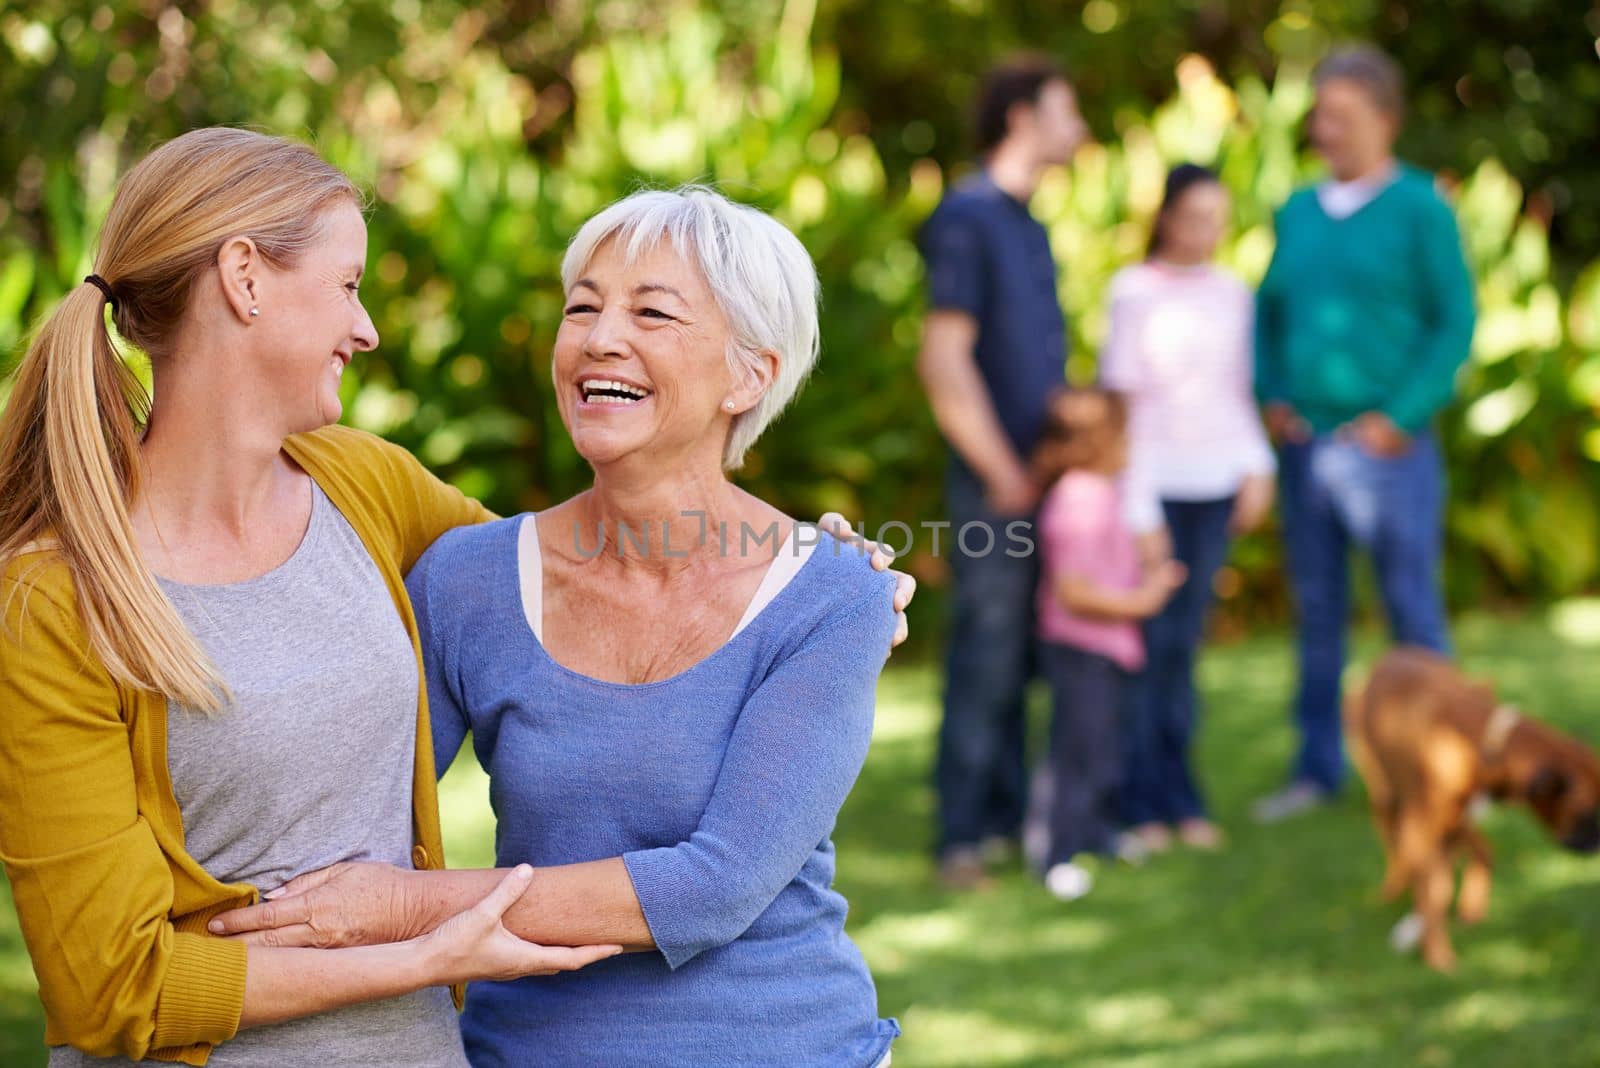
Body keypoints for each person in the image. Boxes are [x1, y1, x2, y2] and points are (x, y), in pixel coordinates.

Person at [0, 131, 914, 1066]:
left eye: (654, 314)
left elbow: (715, 880)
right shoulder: (464, 571)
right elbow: (124, 973)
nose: (368, 330)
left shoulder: (368, 491)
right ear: (243, 279)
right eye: (583, 307)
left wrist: (824, 577)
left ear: (752, 373)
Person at [1251, 44, 1476, 822]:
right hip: (1307, 450)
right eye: (1319, 115)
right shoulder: (1300, 210)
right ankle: (1317, 769)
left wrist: (1399, 417)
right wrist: (1273, 396)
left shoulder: (1421, 207)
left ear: (1386, 119)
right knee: (1318, 617)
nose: (1325, 130)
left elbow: (1456, 323)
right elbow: (1267, 313)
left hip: (1390, 455)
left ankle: (1449, 767)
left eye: (1342, 116)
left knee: (1412, 611)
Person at [916, 54, 1089, 888]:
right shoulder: (967, 216)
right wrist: (1002, 470)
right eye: (1068, 111)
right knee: (985, 652)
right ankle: (959, 837)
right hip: (995, 484)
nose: (1080, 128)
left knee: (1025, 654)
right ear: (1022, 116)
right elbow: (944, 359)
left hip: (1042, 481)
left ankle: (1010, 816)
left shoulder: (1029, 221)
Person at [1099, 164, 1276, 852]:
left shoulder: (1233, 292)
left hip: (1215, 490)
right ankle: (1139, 800)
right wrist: (1138, 510)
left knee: (1184, 650)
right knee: (1151, 647)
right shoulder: (1133, 292)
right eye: (1197, 216)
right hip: (1155, 495)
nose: (1209, 231)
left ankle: (1182, 795)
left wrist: (1257, 467)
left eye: (1219, 218)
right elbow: (1124, 410)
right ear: (1167, 216)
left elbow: (1237, 392)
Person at [1029, 388, 1186, 901]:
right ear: (1102, 441)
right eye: (1125, 435)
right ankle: (1056, 853)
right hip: (1082, 648)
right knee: (1077, 751)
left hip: (1111, 647)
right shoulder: (1078, 496)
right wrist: (1143, 601)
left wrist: (1153, 578)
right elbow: (1073, 590)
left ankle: (1096, 832)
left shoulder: (1104, 490)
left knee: (1105, 748)